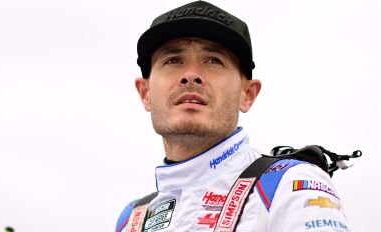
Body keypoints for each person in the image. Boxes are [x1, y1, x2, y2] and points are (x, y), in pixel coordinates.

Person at [116, 1, 350, 231]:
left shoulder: (291, 184)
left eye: (213, 60)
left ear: (247, 94)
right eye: (173, 60)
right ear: (145, 93)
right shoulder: (133, 219)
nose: (190, 75)